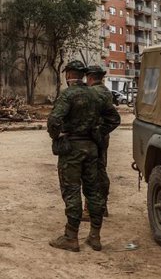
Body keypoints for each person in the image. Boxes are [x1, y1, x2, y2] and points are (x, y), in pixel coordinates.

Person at [46, 60, 119, 252]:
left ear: (69, 74)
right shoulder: (95, 95)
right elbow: (114, 119)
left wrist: (57, 135)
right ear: (83, 74)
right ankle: (95, 236)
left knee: (72, 190)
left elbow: (54, 119)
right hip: (92, 148)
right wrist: (98, 133)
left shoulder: (68, 94)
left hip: (72, 149)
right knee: (93, 191)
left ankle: (71, 237)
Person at [82, 65, 117, 220]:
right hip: (103, 138)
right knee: (101, 170)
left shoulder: (91, 93)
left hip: (91, 138)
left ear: (89, 78)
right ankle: (103, 207)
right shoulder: (107, 92)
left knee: (90, 174)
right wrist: (102, 132)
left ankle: (90, 209)